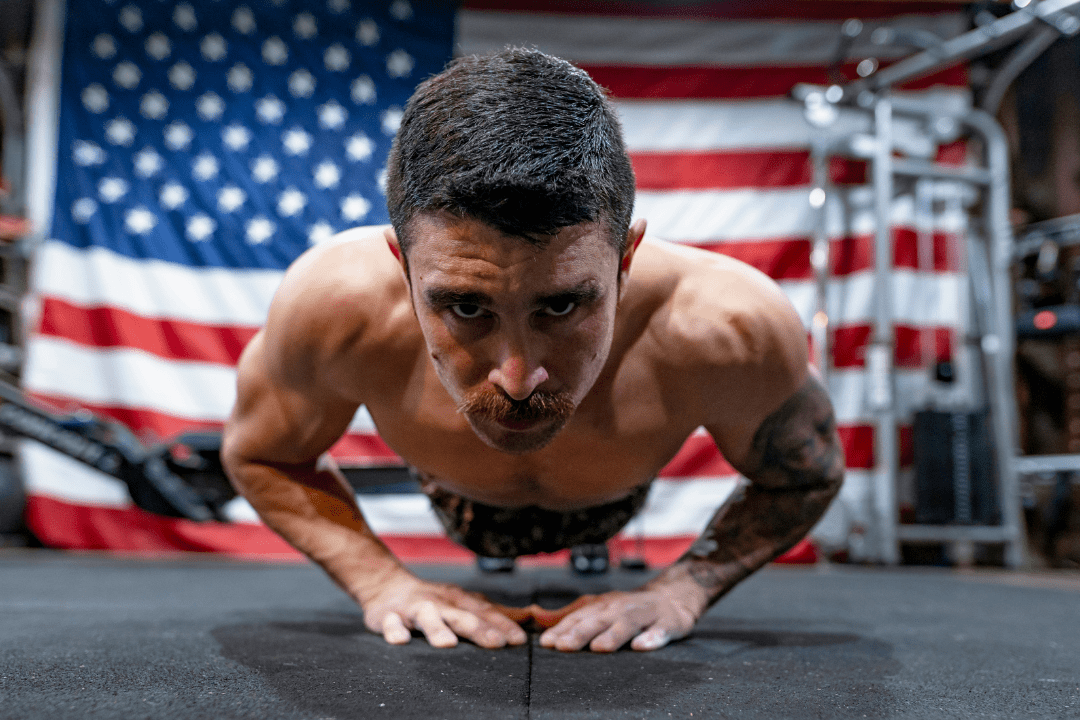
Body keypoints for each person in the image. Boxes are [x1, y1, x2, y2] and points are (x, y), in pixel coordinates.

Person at [221, 48, 844, 654]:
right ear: (401, 264)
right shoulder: (333, 306)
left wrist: (682, 592)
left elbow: (805, 476)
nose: (518, 380)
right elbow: (263, 454)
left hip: (612, 502)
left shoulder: (727, 324)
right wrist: (380, 582)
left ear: (625, 259)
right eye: (467, 308)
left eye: (562, 306)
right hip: (458, 498)